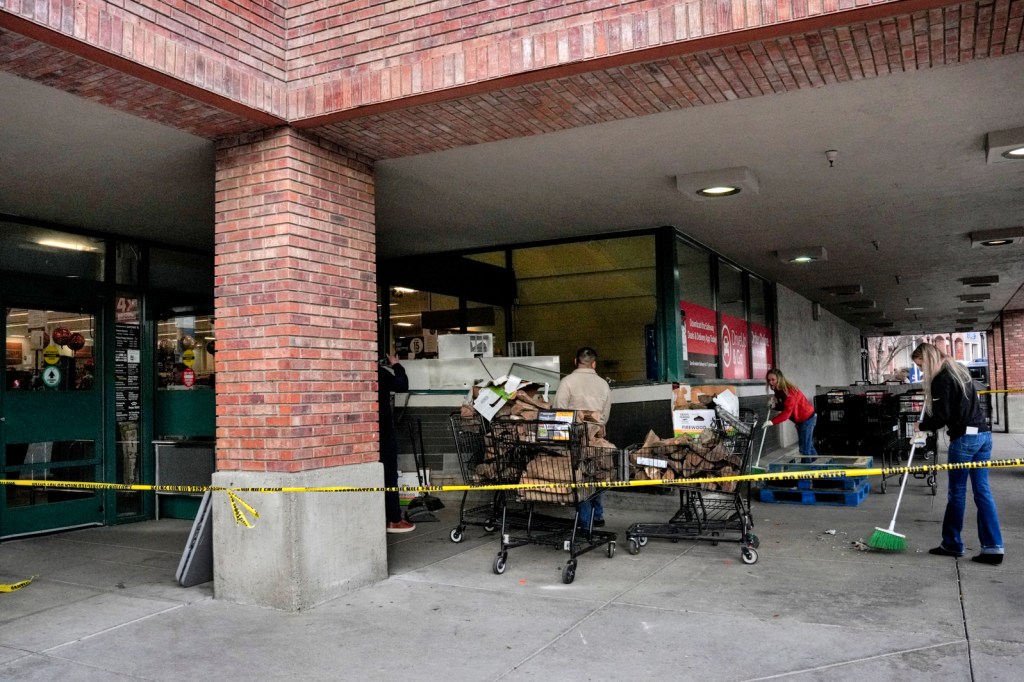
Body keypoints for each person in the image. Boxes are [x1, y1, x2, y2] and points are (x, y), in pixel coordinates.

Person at [913, 342, 1003, 565]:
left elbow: (941, 416)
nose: (922, 371)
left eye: (921, 365)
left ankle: (952, 543)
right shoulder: (960, 369)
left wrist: (921, 426)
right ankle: (993, 547)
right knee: (983, 492)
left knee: (957, 493)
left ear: (929, 359)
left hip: (964, 440)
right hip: (983, 436)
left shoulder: (941, 379)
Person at [554, 347, 612, 528]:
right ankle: (598, 516)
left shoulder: (567, 382)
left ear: (575, 361)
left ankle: (585, 521)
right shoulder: (603, 384)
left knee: (580, 476)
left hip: (574, 437)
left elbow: (558, 408)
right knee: (595, 473)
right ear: (594, 363)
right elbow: (605, 413)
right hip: (596, 437)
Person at [379, 354, 415, 534]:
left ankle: (382, 516)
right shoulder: (379, 373)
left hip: (362, 433)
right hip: (383, 431)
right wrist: (396, 365)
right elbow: (402, 385)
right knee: (389, 475)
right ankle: (394, 519)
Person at [763, 368, 818, 458]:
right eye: (769, 380)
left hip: (807, 419)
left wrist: (771, 422)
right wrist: (774, 406)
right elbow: (785, 406)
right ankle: (820, 469)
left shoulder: (789, 392)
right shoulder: (778, 390)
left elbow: (787, 413)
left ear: (779, 379)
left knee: (805, 450)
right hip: (801, 420)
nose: (770, 382)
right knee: (809, 448)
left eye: (773, 380)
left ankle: (806, 471)